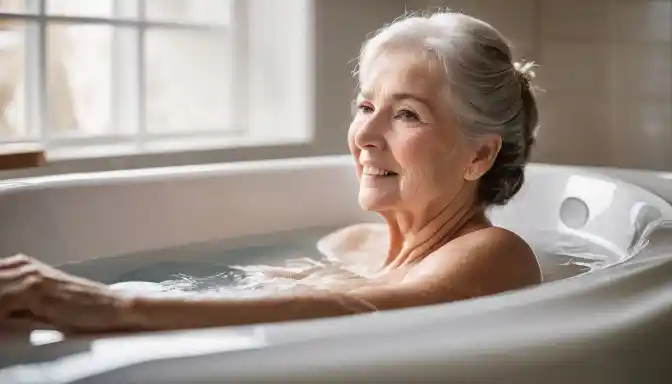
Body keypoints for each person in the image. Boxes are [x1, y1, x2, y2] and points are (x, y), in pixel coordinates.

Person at [0, 11, 542, 333]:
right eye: (364, 107)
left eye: (405, 114)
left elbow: (373, 309)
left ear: (478, 156)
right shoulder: (345, 245)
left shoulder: (494, 253)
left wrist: (115, 306)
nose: (366, 136)